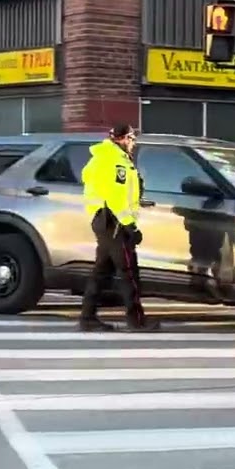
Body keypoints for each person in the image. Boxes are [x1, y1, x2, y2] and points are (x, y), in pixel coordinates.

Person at [78, 125, 159, 332]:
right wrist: (130, 226)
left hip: (105, 221)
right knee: (129, 271)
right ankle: (136, 321)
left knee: (102, 271)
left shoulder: (106, 158)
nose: (134, 143)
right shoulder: (115, 162)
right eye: (131, 138)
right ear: (121, 139)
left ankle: (87, 318)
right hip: (113, 222)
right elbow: (116, 197)